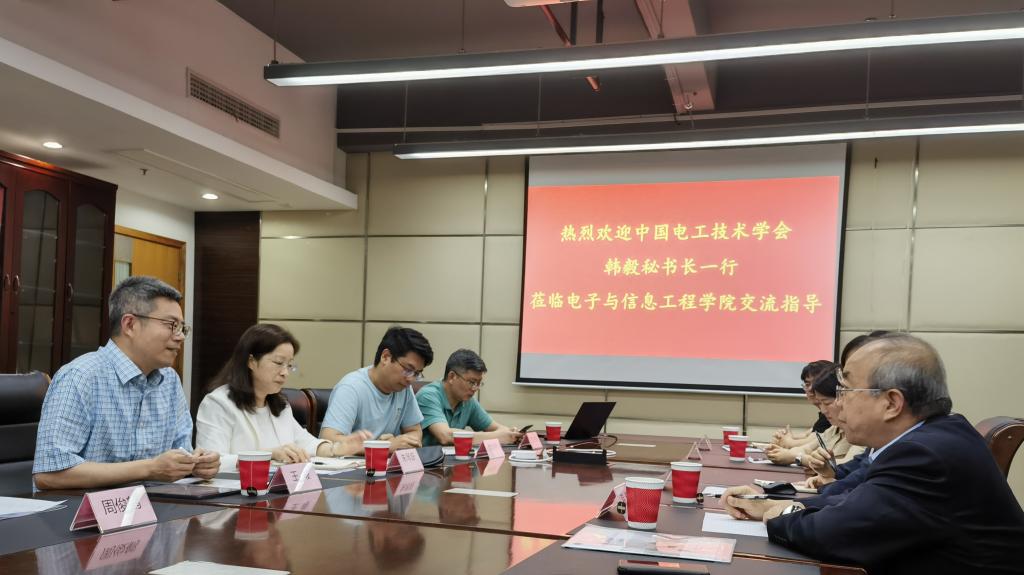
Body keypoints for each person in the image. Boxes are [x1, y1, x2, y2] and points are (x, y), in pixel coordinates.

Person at [722, 334, 1024, 574]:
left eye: (845, 391)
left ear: (891, 403)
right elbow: (853, 501)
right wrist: (769, 503)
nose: (837, 404)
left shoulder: (925, 455)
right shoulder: (926, 438)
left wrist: (781, 514)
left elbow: (833, 534)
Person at [33, 276, 219, 490]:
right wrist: (149, 468)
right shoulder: (81, 377)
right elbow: (49, 475)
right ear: (130, 324)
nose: (180, 337)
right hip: (86, 509)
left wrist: (196, 464)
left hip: (156, 505)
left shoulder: (169, 380)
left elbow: (180, 452)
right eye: (171, 325)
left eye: (182, 328)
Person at [196, 324, 370, 471]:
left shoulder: (280, 405)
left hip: (276, 493)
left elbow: (306, 443)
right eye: (279, 363)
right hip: (234, 494)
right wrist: (270, 455)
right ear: (251, 361)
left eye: (289, 365)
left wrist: (339, 448)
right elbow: (210, 462)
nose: (285, 372)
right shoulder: (218, 404)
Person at [320, 326, 432, 453]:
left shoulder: (404, 388)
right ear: (385, 357)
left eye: (417, 373)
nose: (411, 379)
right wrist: (384, 446)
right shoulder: (351, 388)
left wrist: (400, 441)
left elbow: (415, 431)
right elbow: (329, 439)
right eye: (408, 370)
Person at [416, 349, 523, 446]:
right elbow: (445, 436)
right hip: (426, 460)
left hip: (451, 459)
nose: (475, 388)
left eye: (479, 384)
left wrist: (510, 433)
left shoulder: (467, 400)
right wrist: (498, 437)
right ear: (452, 377)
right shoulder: (428, 396)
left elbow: (495, 428)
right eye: (472, 382)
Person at [764, 369, 865, 468]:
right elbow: (806, 449)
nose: (823, 410)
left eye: (827, 403)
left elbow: (847, 466)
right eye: (819, 403)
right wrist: (779, 453)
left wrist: (797, 458)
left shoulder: (862, 432)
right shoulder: (834, 428)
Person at [772, 360, 833, 449]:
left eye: (816, 383)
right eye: (807, 384)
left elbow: (813, 441)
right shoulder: (824, 413)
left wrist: (787, 441)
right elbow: (808, 434)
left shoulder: (832, 412)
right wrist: (787, 437)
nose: (810, 389)